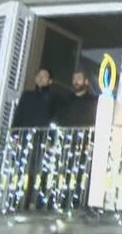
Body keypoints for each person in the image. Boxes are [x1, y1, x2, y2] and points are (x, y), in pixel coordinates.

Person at [13, 68, 59, 210]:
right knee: (22, 170)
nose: (40, 78)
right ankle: (19, 202)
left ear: (50, 81)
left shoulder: (52, 99)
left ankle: (37, 203)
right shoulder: (27, 95)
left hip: (42, 140)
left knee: (39, 172)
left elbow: (54, 120)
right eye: (39, 75)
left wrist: (51, 140)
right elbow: (18, 115)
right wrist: (15, 136)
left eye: (44, 76)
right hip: (25, 137)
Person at [55, 71, 98, 209]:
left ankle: (80, 205)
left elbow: (96, 123)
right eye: (74, 79)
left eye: (79, 78)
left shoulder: (93, 102)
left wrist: (92, 142)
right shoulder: (65, 101)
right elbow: (59, 122)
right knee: (64, 176)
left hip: (84, 146)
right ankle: (62, 204)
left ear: (86, 82)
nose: (75, 81)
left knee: (81, 178)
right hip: (67, 146)